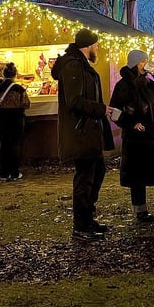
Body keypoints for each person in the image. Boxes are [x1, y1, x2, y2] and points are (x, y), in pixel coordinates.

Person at [53, 28, 114, 242]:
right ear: (88, 45)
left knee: (97, 172)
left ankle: (88, 219)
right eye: (96, 44)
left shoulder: (81, 65)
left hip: (88, 132)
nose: (98, 48)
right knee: (85, 179)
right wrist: (101, 109)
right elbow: (74, 101)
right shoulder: (73, 65)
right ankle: (81, 225)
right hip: (80, 132)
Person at [109, 49, 154, 223]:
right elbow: (114, 111)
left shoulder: (148, 82)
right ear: (134, 64)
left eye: (146, 61)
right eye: (142, 61)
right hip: (137, 139)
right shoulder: (123, 85)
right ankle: (140, 210)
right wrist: (130, 123)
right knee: (138, 176)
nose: (145, 64)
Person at [0, 62, 29, 182]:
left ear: (3, 74)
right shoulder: (19, 89)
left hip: (2, 119)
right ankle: (14, 172)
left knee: (4, 144)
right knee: (15, 144)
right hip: (17, 119)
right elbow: (26, 104)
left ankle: (4, 173)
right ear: (15, 75)